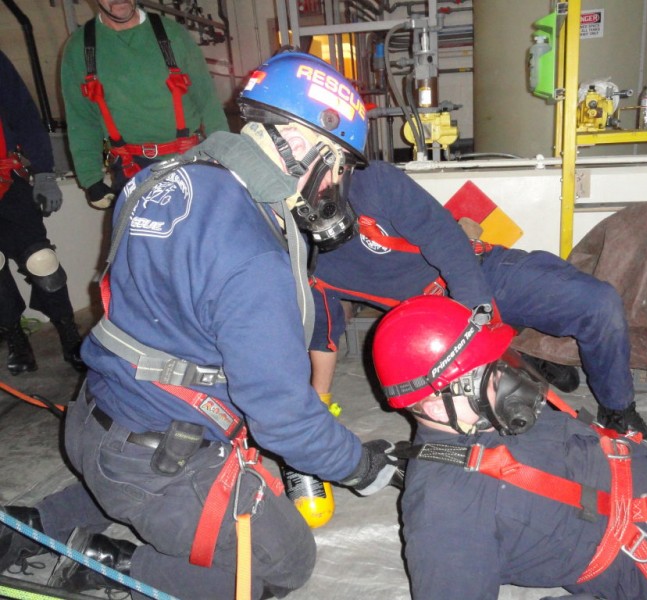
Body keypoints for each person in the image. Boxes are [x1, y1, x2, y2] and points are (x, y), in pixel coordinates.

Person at [0, 52, 400, 599]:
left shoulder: (162, 178)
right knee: (281, 565)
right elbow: (283, 419)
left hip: (96, 417)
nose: (338, 183)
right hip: (156, 457)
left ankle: (32, 524)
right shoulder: (256, 254)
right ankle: (97, 571)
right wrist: (359, 467)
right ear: (307, 145)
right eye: (341, 165)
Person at [371, 295, 647, 600]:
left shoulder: (483, 412)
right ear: (432, 400)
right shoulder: (444, 514)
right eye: (483, 373)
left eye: (494, 363)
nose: (503, 377)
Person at [308, 159, 647, 441]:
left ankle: (618, 410)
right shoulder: (301, 258)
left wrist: (478, 319)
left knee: (597, 304)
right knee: (478, 426)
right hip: (429, 331)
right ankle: (526, 358)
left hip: (480, 273)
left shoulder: (373, 181)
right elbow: (323, 337)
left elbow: (445, 239)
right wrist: (318, 404)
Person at [60, 0, 229, 209]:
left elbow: (207, 100)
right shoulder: (80, 48)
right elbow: (82, 120)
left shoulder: (171, 34)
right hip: (130, 168)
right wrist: (91, 179)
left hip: (188, 160)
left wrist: (225, 155)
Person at [0, 50, 85, 374]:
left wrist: (45, 172)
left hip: (8, 181)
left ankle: (68, 333)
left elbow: (23, 113)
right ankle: (15, 339)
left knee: (41, 260)